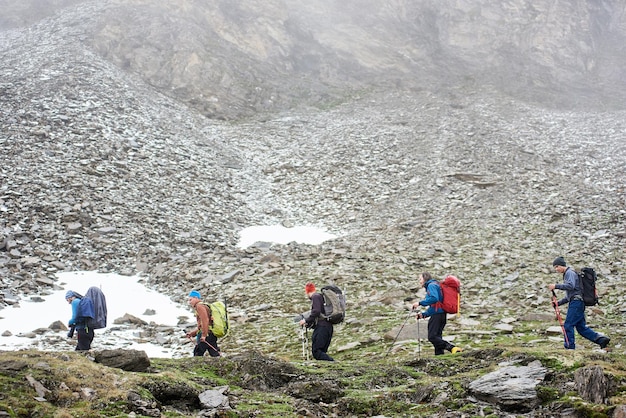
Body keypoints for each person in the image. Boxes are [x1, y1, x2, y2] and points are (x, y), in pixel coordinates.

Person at [548, 257, 610, 350]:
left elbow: (570, 286)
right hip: (578, 302)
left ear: (562, 265)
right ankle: (601, 340)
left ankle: (569, 348)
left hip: (576, 303)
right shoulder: (568, 274)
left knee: (568, 325)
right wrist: (558, 303)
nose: (556, 269)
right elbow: (571, 295)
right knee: (581, 328)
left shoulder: (569, 273)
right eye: (555, 267)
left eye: (557, 266)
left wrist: (556, 286)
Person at [412, 272, 462, 355]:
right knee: (437, 337)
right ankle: (439, 356)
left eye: (420, 279)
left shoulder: (431, 285)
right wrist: (424, 315)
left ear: (425, 278)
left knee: (432, 337)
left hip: (437, 316)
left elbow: (434, 299)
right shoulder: (436, 285)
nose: (419, 281)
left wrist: (419, 303)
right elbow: (436, 306)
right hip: (441, 315)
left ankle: (452, 348)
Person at [298, 282, 334, 361]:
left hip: (322, 327)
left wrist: (305, 320)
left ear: (307, 291)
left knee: (316, 352)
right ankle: (329, 368)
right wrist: (310, 323)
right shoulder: (321, 297)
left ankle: (334, 363)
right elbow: (319, 314)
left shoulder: (315, 297)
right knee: (321, 352)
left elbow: (316, 311)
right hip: (328, 327)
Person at [186, 290, 220, 357]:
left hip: (206, 335)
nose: (189, 302)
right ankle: (222, 365)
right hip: (211, 333)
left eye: (191, 300)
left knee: (198, 353)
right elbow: (203, 325)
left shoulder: (199, 306)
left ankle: (196, 366)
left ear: (196, 298)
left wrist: (204, 335)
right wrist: (192, 333)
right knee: (214, 352)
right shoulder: (203, 306)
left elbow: (205, 321)